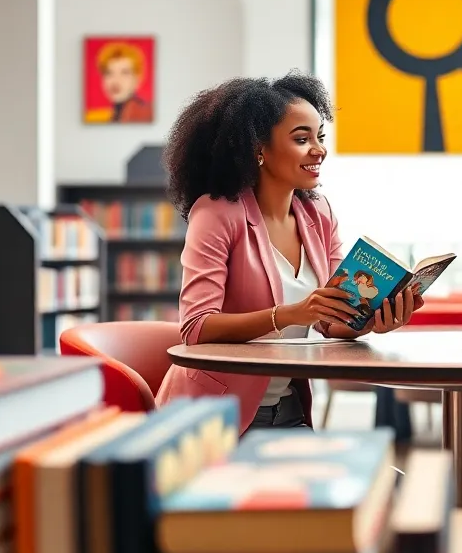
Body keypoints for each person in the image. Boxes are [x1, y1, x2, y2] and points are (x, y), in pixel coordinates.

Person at [155, 72, 423, 432]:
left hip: (288, 409)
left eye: (320, 137)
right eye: (302, 139)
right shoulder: (217, 213)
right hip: (214, 417)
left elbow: (329, 321)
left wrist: (371, 321)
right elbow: (196, 327)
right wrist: (290, 314)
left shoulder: (319, 213)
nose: (319, 149)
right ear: (259, 149)